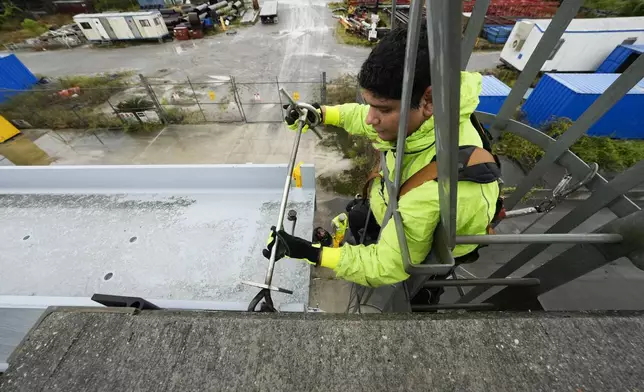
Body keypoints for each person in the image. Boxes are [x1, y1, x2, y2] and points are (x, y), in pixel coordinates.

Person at [264, 24, 500, 288]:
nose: (369, 118)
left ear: (428, 100)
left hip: (422, 252)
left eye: (382, 109)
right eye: (369, 105)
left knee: (407, 280)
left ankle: (424, 291)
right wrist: (321, 113)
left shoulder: (439, 190)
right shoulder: (430, 117)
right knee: (355, 216)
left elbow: (385, 265)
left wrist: (313, 253)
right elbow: (368, 118)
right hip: (392, 207)